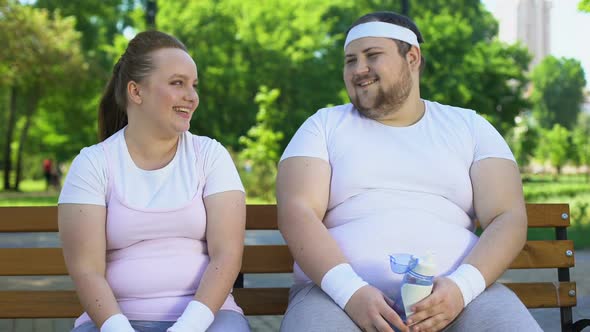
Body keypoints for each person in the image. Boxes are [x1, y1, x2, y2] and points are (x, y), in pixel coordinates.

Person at [277, 11, 542, 332]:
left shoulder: (471, 127)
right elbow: (298, 211)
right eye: (350, 60)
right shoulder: (322, 125)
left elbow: (508, 216)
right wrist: (350, 292)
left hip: (462, 298)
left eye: (372, 55)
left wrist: (462, 289)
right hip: (334, 297)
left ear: (412, 56)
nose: (358, 69)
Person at [58, 30, 249, 332]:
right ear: (136, 92)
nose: (192, 96)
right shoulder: (93, 164)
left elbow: (227, 254)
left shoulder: (210, 156)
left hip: (208, 318)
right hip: (113, 321)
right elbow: (86, 270)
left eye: (193, 85)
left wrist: (188, 327)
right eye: (177, 83)